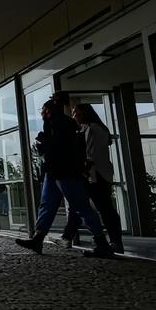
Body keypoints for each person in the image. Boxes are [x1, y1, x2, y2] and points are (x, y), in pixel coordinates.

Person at [15, 98, 114, 257]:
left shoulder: (59, 124)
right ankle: (38, 238)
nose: (42, 114)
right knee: (55, 204)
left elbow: (59, 148)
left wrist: (45, 143)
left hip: (62, 170)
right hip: (59, 170)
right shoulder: (62, 124)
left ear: (49, 111)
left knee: (76, 206)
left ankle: (101, 242)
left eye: (43, 110)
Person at [53, 103, 124, 253]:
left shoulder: (93, 129)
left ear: (85, 113)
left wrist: (82, 171)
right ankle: (68, 237)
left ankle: (114, 241)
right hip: (95, 174)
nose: (74, 117)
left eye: (76, 113)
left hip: (96, 175)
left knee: (102, 208)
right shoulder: (89, 129)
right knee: (82, 206)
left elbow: (91, 155)